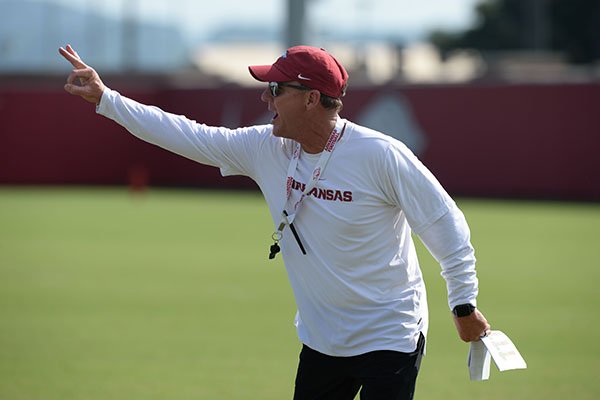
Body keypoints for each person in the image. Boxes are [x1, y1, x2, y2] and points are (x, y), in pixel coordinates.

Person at [59, 44, 490, 400]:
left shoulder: (380, 154)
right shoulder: (266, 146)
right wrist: (105, 98)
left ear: (309, 98)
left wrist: (463, 304)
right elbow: (188, 135)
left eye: (274, 89)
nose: (264, 99)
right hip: (322, 340)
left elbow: (445, 224)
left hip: (389, 335)